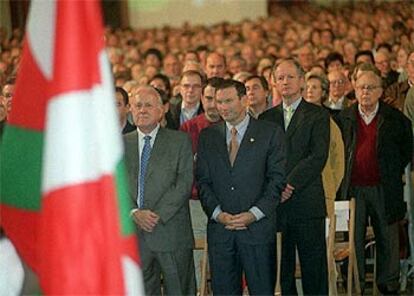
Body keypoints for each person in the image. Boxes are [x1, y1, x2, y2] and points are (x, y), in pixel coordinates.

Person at [196, 79, 285, 295]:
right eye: (219, 102)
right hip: (222, 232)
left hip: (257, 230)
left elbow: (276, 180)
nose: (223, 107)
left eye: (228, 101)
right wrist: (218, 214)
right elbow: (203, 182)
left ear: (244, 100)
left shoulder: (270, 133)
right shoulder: (208, 136)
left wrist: (253, 214)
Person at [337, 70, 412, 294]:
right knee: (354, 240)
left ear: (380, 91)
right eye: (361, 87)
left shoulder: (395, 118)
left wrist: (391, 170)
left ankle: (388, 284)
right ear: (355, 91)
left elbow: (406, 149)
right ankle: (355, 284)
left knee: (387, 237)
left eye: (371, 87)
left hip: (384, 186)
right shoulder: (344, 118)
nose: (366, 92)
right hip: (353, 189)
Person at [259, 58, 330, 295]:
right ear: (274, 83)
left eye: (290, 77)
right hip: (277, 206)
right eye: (280, 78)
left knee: (314, 270)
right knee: (282, 270)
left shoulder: (317, 115)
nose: (285, 82)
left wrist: (289, 183)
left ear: (302, 81)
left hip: (307, 203)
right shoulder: (266, 119)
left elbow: (317, 156)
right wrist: (277, 187)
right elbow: (263, 161)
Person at [124, 86, 195, 295]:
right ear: (131, 110)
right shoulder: (119, 143)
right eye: (138, 106)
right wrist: (134, 213)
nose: (142, 110)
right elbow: (113, 186)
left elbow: (183, 183)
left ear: (161, 110)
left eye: (148, 105)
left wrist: (156, 216)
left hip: (170, 231)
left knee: (179, 290)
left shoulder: (179, 141)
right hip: (134, 234)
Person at [305, 74, 345, 218]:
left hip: (323, 188)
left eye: (314, 87)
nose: (309, 91)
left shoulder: (329, 121)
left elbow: (338, 158)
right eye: (307, 87)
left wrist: (331, 187)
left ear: (323, 93)